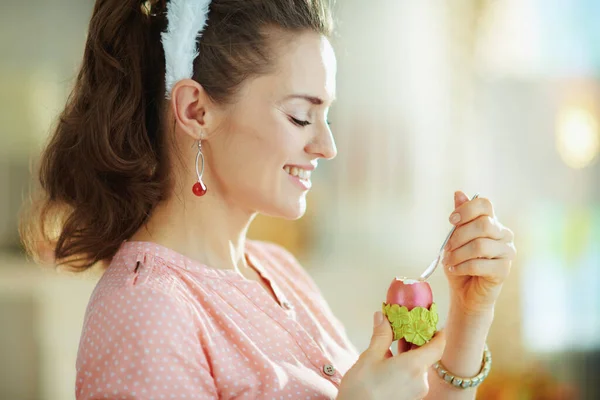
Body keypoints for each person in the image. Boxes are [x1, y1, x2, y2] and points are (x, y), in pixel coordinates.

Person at [20, 0, 517, 399]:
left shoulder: (279, 272)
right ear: (196, 110)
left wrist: (473, 313)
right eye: (302, 116)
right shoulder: (146, 314)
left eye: (327, 117)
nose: (327, 146)